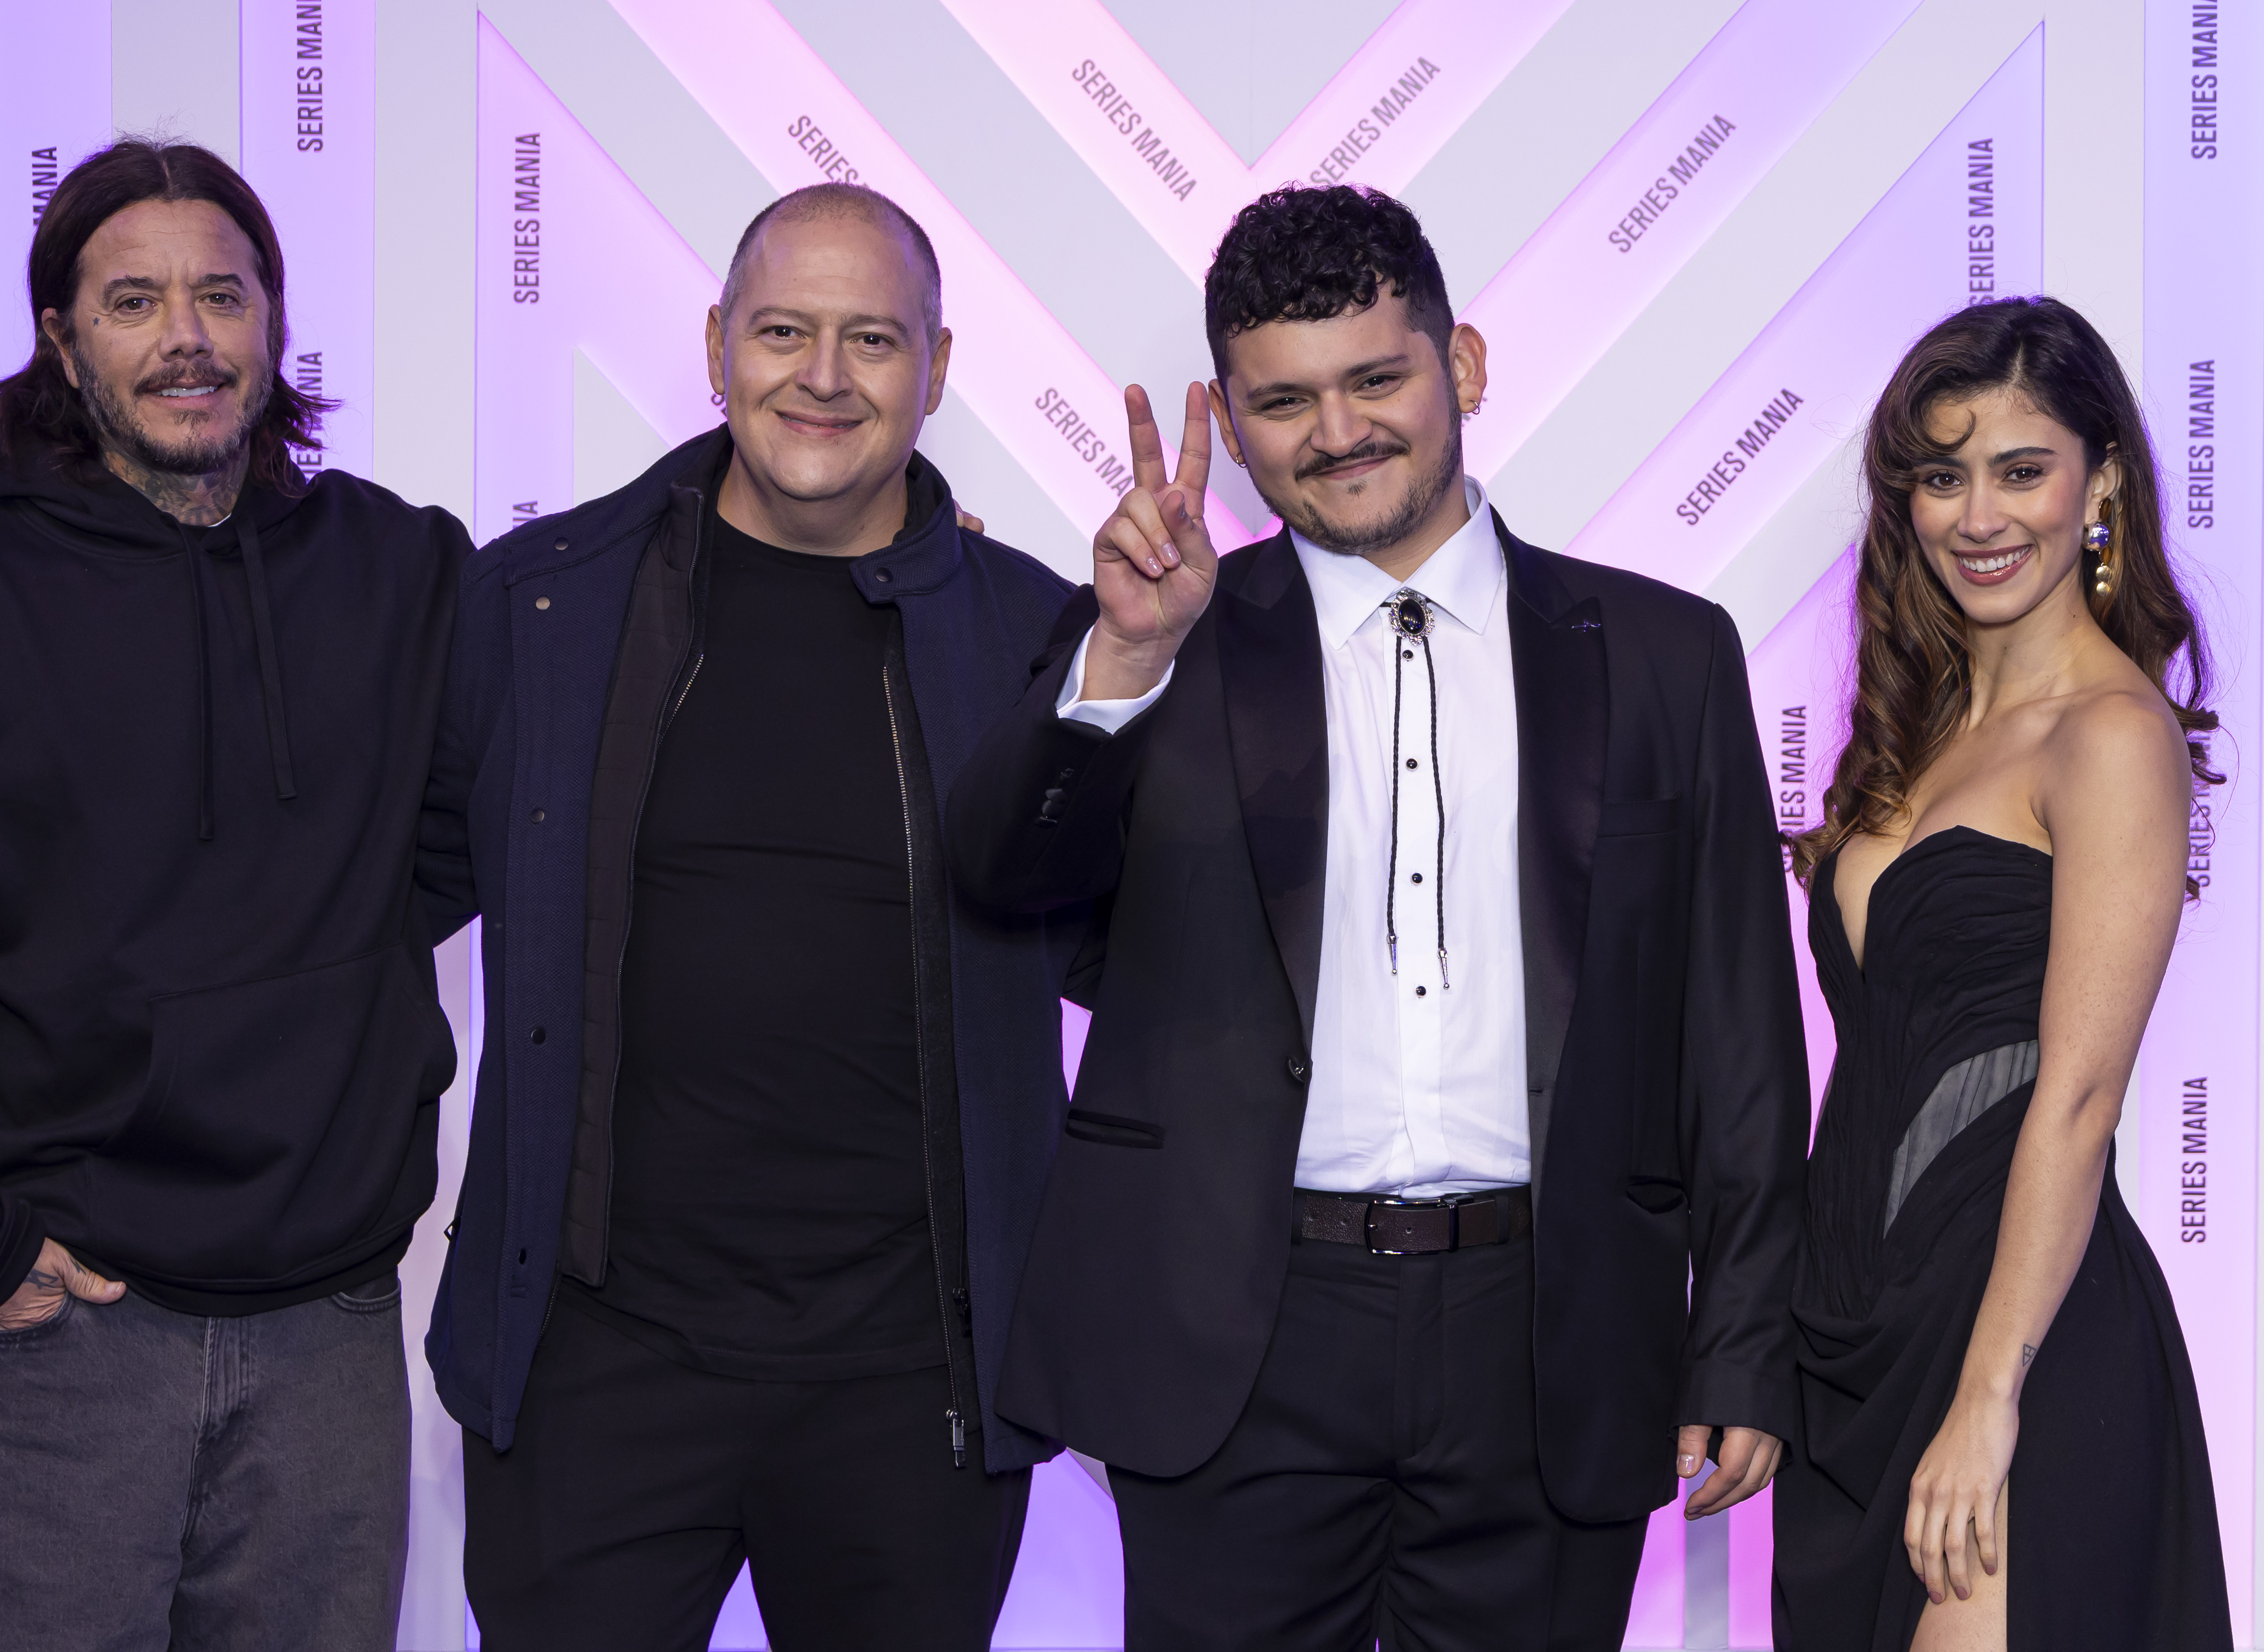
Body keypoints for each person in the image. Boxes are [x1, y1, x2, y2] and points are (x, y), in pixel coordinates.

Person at [947, 183, 1808, 1649]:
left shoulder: (1665, 653)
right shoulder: (1166, 628)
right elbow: (1006, 880)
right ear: (1231, 414)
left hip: (1548, 1338)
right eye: (1283, 400)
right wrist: (1121, 662)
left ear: (1461, 365)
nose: (1336, 431)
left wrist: (1739, 1349)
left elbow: (1738, 1032)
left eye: (1376, 378)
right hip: (1235, 1329)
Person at [0, 140, 468, 1650]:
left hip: (332, 1351)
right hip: (58, 1349)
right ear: (60, 339)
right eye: (135, 300)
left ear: (273, 321)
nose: (186, 338)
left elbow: (478, 826)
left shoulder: (399, 572)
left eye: (221, 295)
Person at [420, 183, 1082, 1652]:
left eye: (873, 339)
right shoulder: (542, 604)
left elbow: (1132, 949)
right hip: (595, 1360)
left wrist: (1139, 690)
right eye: (784, 330)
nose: (825, 377)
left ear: (940, 368)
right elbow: (365, 911)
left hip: (912, 1386)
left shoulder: (1035, 633)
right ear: (716, 344)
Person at [1774, 297, 2233, 1650]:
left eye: (2021, 470)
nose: (1979, 513)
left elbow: (2079, 1099)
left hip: (2022, 1338)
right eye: (1940, 474)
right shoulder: (1908, 743)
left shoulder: (2112, 735)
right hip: (1855, 1338)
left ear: (2100, 483)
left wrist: (1991, 1395)